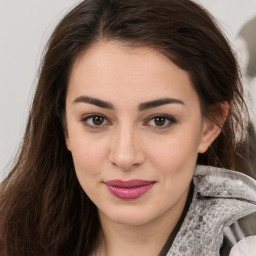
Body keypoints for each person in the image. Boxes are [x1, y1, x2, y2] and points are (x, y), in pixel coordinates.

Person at [0, 0, 256, 255]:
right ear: (65, 127)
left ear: (209, 126)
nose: (124, 157)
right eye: (96, 120)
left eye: (159, 120)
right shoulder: (12, 233)